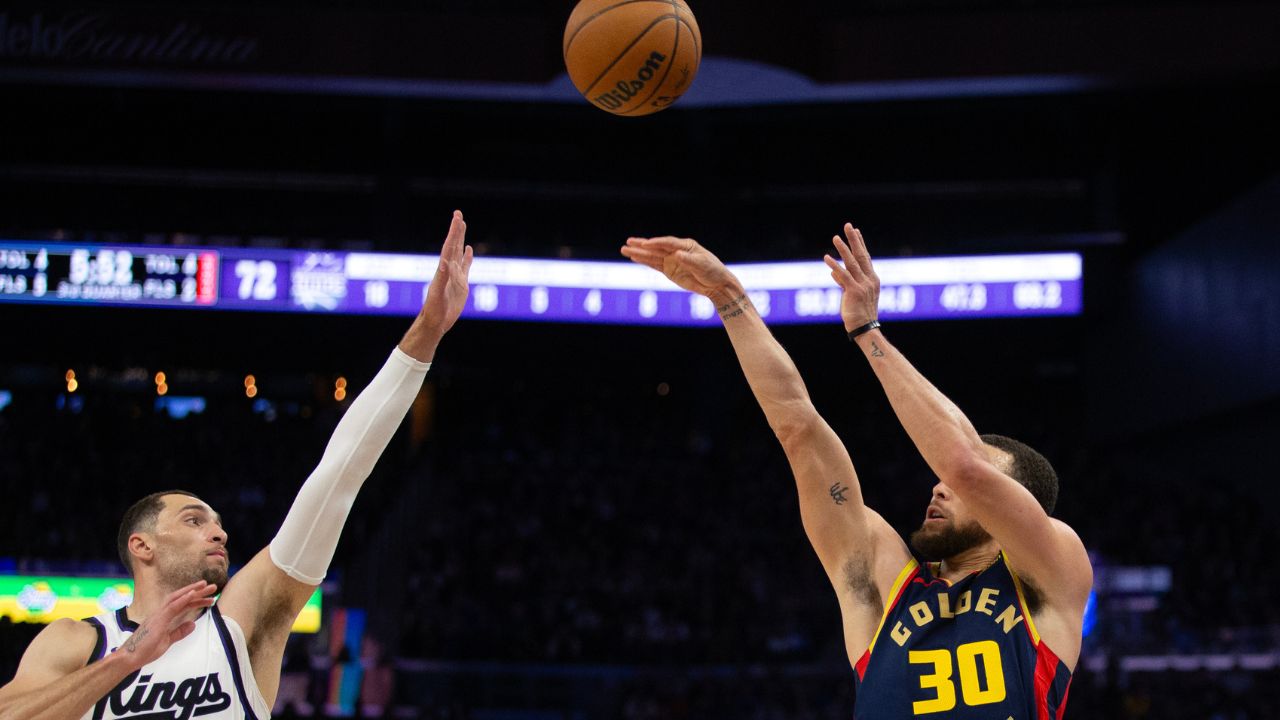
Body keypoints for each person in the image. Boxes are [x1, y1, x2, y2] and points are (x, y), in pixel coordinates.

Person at [0, 211, 474, 720]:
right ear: (142, 546)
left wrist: (424, 335)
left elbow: (339, 474)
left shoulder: (241, 620)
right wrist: (129, 659)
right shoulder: (78, 640)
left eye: (218, 524)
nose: (218, 532)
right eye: (194, 520)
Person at [622, 227, 1091, 718]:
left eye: (966, 488)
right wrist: (729, 299)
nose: (939, 485)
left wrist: (868, 332)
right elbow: (798, 427)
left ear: (1014, 507)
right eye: (942, 483)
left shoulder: (1050, 573)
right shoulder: (885, 582)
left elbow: (963, 463)